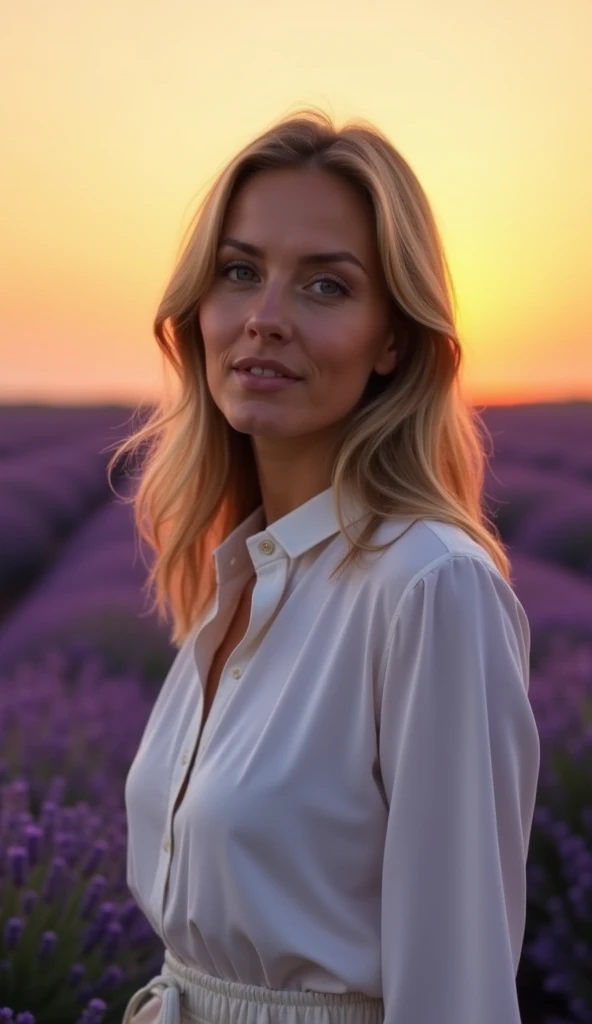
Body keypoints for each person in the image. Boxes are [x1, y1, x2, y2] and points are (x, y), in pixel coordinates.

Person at [110, 107, 540, 1024]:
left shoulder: (431, 589)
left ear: (393, 340)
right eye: (239, 273)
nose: (264, 320)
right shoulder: (236, 577)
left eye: (326, 287)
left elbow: (457, 991)